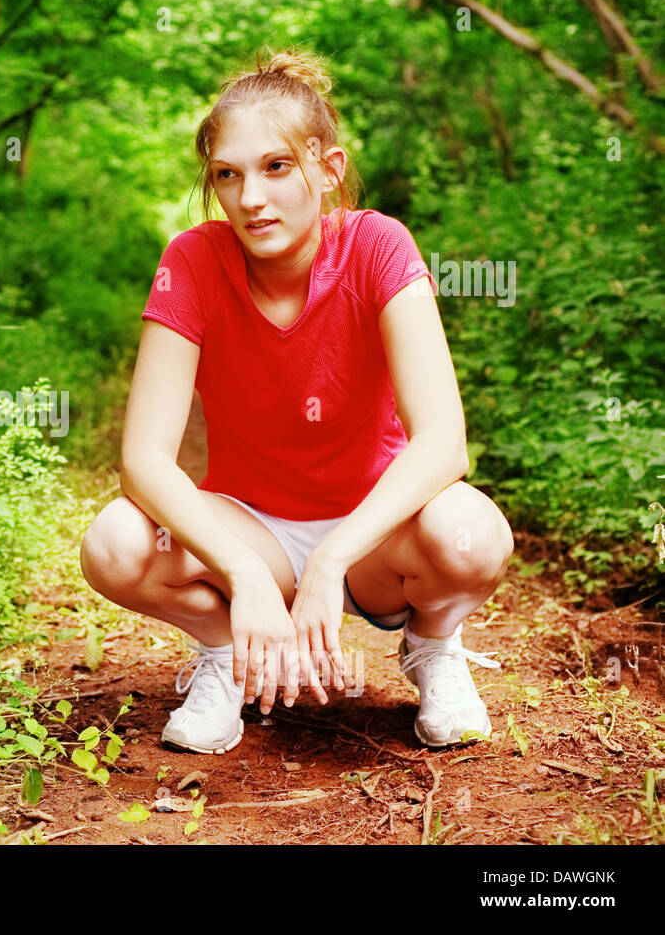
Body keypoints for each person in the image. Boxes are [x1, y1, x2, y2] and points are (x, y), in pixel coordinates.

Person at [78, 48, 514, 755]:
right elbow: (144, 458)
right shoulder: (192, 259)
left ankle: (431, 646)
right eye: (228, 174)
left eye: (276, 166)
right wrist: (247, 573)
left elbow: (443, 444)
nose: (251, 197)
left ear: (328, 169)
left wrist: (333, 557)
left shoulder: (378, 245)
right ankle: (223, 654)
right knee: (116, 542)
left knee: (474, 535)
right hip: (253, 528)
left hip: (374, 532)